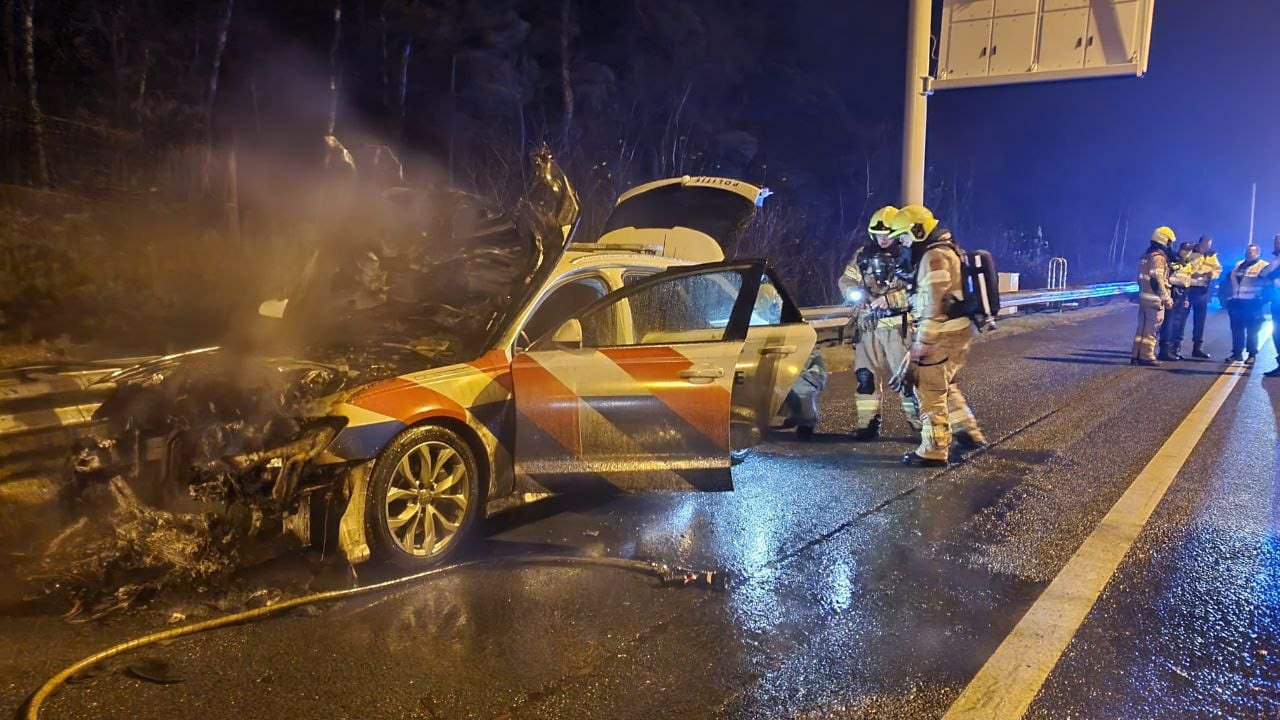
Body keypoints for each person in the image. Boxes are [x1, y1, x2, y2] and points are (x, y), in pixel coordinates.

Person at [887, 204, 986, 467]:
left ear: (917, 230)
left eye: (903, 236)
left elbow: (934, 303)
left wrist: (922, 344)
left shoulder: (935, 257)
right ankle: (967, 431)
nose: (902, 242)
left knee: (929, 387)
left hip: (943, 334)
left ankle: (933, 449)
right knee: (945, 384)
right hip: (957, 331)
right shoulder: (947, 249)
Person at [837, 206, 922, 440]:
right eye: (878, 234)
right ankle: (868, 425)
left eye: (887, 234)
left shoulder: (909, 256)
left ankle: (920, 426)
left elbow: (920, 292)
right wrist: (856, 293)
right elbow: (846, 280)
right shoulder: (862, 255)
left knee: (907, 380)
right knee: (865, 377)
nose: (883, 239)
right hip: (868, 328)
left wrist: (890, 299)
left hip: (898, 328)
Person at [1131, 227, 1175, 367]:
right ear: (1164, 240)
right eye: (1169, 242)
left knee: (1141, 329)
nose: (1170, 246)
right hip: (1154, 300)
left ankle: (1136, 355)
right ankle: (1147, 355)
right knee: (1151, 329)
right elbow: (1156, 280)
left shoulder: (1146, 255)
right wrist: (1166, 298)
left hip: (1144, 297)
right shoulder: (1158, 258)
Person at [1225, 244, 1269, 363]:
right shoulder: (1238, 265)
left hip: (1252, 303)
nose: (1248, 254)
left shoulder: (1263, 266)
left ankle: (1252, 354)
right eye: (1247, 251)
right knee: (1236, 329)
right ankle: (1237, 353)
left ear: (1257, 253)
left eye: (1251, 252)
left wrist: (1262, 299)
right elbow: (1230, 280)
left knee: (1252, 330)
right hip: (1237, 301)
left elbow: (1267, 284)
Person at [1185, 235, 1222, 358]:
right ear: (1200, 243)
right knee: (1180, 319)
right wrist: (1191, 273)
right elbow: (1182, 265)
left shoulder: (1211, 256)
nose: (1207, 247)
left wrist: (1213, 274)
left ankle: (1197, 348)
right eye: (1205, 245)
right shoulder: (1190, 252)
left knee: (1200, 321)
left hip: (1202, 291)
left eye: (1209, 245)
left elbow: (1218, 269)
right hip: (1188, 289)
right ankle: (1174, 347)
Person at [1158, 241, 1195, 361]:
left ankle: (1174, 350)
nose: (1187, 253)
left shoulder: (1187, 264)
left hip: (1182, 295)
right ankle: (1165, 351)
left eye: (1189, 251)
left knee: (1179, 324)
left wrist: (1187, 297)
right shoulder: (1174, 261)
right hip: (1173, 293)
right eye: (1185, 250)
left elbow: (1187, 281)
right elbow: (1169, 278)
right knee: (1169, 323)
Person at [1263, 235, 1280, 378]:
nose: (1276, 244)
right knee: (1277, 333)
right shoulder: (1276, 259)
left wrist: (1269, 276)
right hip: (1276, 299)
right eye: (1275, 242)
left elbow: (1272, 274)